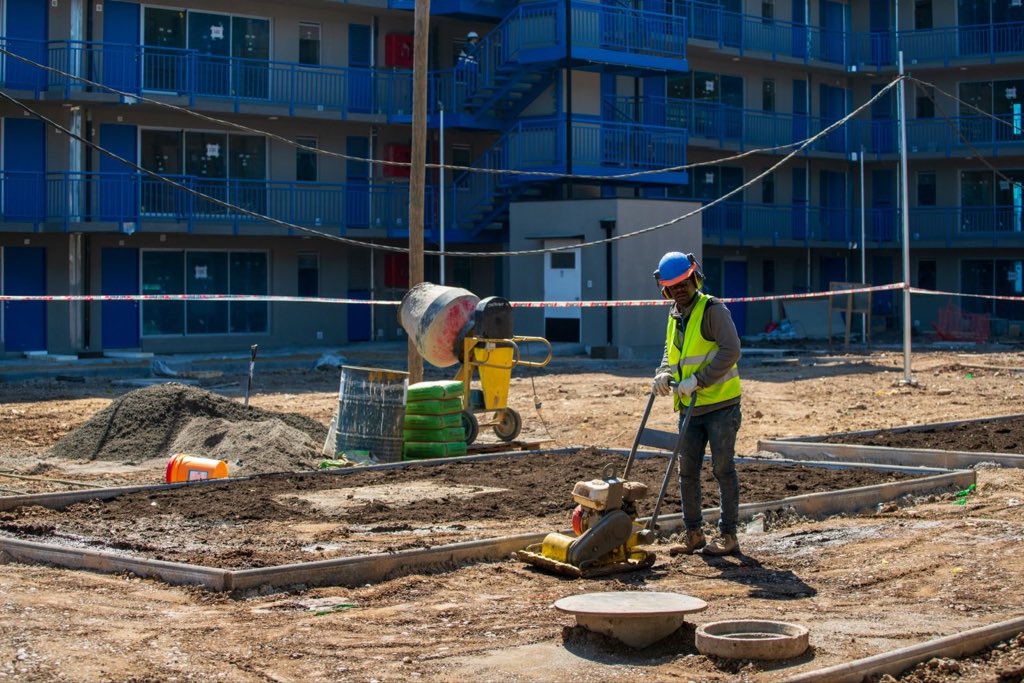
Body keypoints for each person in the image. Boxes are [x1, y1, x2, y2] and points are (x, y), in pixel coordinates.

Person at [651, 251, 743, 557]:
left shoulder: (712, 309)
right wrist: (664, 372)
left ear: (694, 278)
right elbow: (671, 349)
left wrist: (699, 380)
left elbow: (731, 350)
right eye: (672, 286)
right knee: (686, 470)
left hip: (719, 404)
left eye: (683, 283)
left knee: (722, 469)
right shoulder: (674, 314)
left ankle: (728, 535)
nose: (679, 290)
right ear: (665, 289)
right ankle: (693, 533)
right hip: (689, 405)